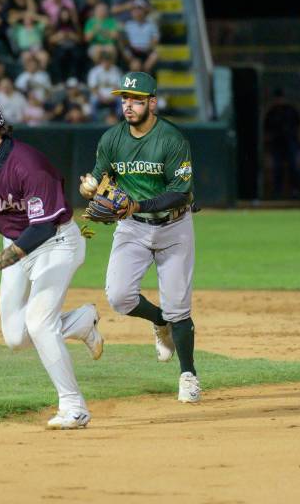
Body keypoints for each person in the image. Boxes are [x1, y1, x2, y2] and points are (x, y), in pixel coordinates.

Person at [0, 93, 104, 429]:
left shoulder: (28, 165)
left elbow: (42, 228)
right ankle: (80, 322)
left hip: (56, 244)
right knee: (16, 337)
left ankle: (74, 406)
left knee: (39, 322)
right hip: (16, 245)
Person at [79, 71, 200, 403]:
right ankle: (160, 322)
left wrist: (137, 204)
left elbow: (180, 192)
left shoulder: (172, 139)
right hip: (132, 226)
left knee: (178, 306)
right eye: (124, 99)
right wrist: (91, 188)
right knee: (119, 297)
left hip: (174, 226)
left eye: (136, 99)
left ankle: (188, 374)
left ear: (152, 103)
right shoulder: (111, 139)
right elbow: (100, 178)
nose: (128, 105)